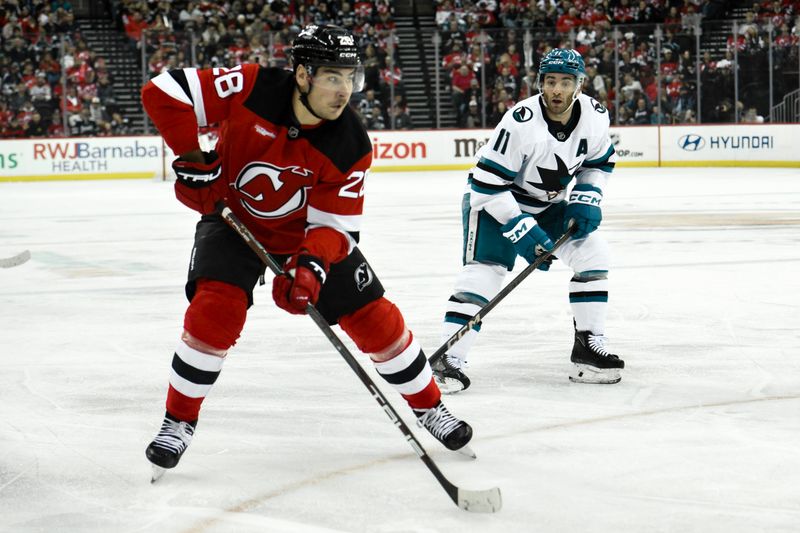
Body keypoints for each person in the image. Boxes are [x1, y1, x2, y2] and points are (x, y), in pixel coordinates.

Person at [141, 24, 473, 478]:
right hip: (233, 222)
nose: (343, 91)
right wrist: (192, 158)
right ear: (301, 74)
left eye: (350, 78)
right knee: (213, 313)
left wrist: (310, 268)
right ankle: (177, 422)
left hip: (305, 236)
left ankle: (431, 407)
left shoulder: (350, 143)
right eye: (331, 77)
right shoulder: (252, 85)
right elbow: (163, 92)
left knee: (375, 319)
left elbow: (336, 229)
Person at [430, 48, 625, 393]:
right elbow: (486, 186)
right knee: (486, 272)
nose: (557, 90)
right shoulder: (520, 122)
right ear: (540, 83)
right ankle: (449, 357)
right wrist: (521, 228)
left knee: (594, 256)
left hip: (547, 203)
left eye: (566, 82)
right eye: (551, 81)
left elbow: (599, 163)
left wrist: (586, 198)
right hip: (495, 202)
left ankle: (587, 350)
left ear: (579, 85)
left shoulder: (595, 116)